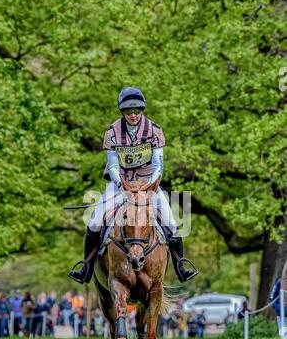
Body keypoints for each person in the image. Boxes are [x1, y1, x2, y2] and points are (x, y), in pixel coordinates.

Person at [68, 87, 196, 284]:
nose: (134, 115)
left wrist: (149, 186)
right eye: (129, 111)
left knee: (172, 223)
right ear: (122, 112)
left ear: (142, 110)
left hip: (148, 184)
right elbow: (112, 165)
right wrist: (122, 185)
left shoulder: (155, 130)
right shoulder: (112, 132)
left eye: (137, 110)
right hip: (121, 184)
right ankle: (86, 266)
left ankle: (181, 266)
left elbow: (158, 165)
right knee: (94, 222)